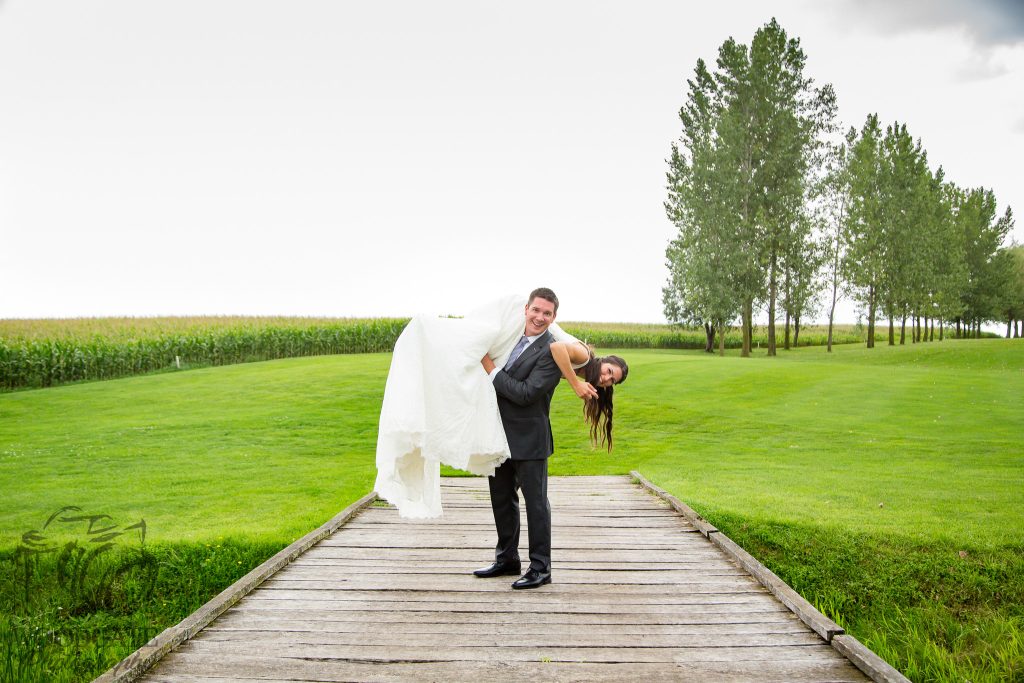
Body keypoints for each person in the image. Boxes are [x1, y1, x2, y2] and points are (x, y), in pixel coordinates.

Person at [373, 291, 628, 519]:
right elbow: (558, 348)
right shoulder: (584, 355)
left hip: (524, 415)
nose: (605, 378)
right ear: (603, 361)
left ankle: (515, 559)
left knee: (522, 497)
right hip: (524, 348)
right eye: (608, 370)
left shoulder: (587, 371)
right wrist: (575, 384)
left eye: (611, 380)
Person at [472, 287, 564, 589]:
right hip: (498, 434)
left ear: (553, 317)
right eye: (536, 310)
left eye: (546, 313)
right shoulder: (508, 337)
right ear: (526, 309)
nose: (539, 317)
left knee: (536, 503)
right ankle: (507, 559)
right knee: (501, 498)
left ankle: (541, 568)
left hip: (529, 438)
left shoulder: (551, 350)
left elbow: (525, 394)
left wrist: (489, 368)